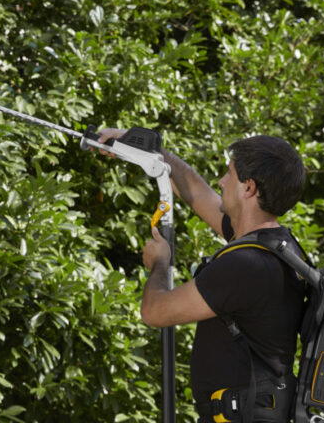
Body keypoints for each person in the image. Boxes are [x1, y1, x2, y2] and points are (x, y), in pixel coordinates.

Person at [96, 130, 307, 423]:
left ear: (248, 189)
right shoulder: (276, 247)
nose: (220, 181)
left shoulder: (247, 265)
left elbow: (155, 312)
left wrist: (159, 263)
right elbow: (196, 193)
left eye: (228, 174)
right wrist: (150, 151)